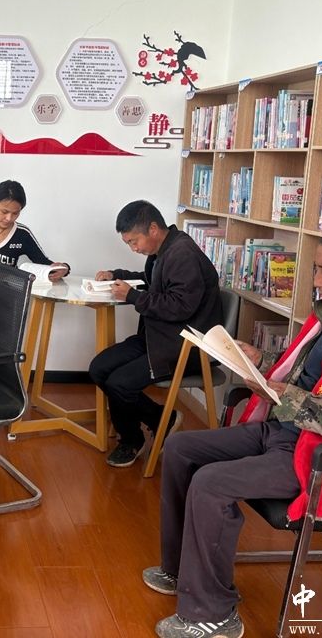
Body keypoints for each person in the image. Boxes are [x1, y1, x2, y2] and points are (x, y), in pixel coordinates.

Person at [144, 223, 322, 638]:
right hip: (289, 432)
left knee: (210, 483)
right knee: (180, 448)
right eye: (316, 269)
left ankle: (214, 614)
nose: (316, 281)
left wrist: (294, 401)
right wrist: (262, 361)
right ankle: (184, 571)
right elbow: (311, 374)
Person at [88, 200, 223, 468]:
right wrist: (118, 275)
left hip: (186, 347)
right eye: (128, 243)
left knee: (120, 383)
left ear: (152, 229)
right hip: (160, 337)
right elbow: (153, 281)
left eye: (133, 241)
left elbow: (180, 306)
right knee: (99, 368)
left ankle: (132, 440)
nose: (133, 248)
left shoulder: (182, 254)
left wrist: (132, 296)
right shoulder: (165, 249)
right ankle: (160, 418)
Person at [0, 179, 70, 325]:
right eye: (4, 212)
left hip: (4, 294)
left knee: (10, 320)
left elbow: (44, 263)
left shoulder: (22, 234)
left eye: (15, 213)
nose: (9, 218)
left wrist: (63, 268)